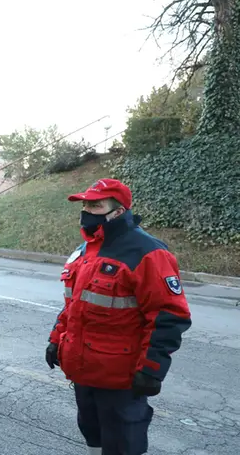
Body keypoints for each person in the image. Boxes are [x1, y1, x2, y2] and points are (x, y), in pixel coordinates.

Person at [46, 179, 192, 455]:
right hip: (83, 370)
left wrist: (152, 369)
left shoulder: (148, 253)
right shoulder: (86, 250)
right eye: (86, 204)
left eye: (96, 205)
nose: (87, 211)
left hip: (122, 378)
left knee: (123, 444)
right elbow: (74, 305)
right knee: (92, 435)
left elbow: (169, 315)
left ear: (118, 211)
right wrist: (56, 339)